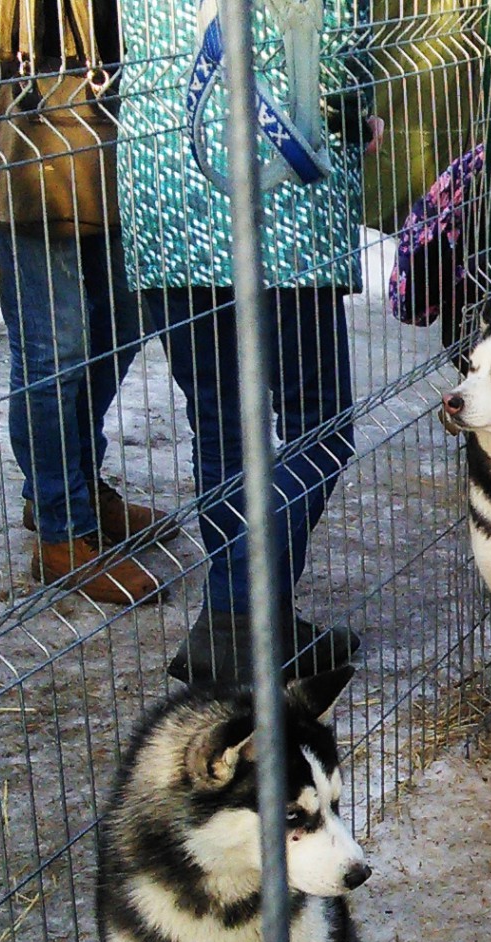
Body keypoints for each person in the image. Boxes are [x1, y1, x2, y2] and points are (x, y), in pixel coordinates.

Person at [116, 0, 368, 682]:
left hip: (165, 188)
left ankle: (255, 622)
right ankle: (239, 615)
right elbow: (337, 55)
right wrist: (361, 113)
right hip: (278, 213)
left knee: (224, 427)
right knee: (320, 422)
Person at [0, 0, 173, 604]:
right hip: (26, 128)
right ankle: (64, 531)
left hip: (108, 130)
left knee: (124, 322)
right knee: (54, 346)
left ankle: (69, 485)